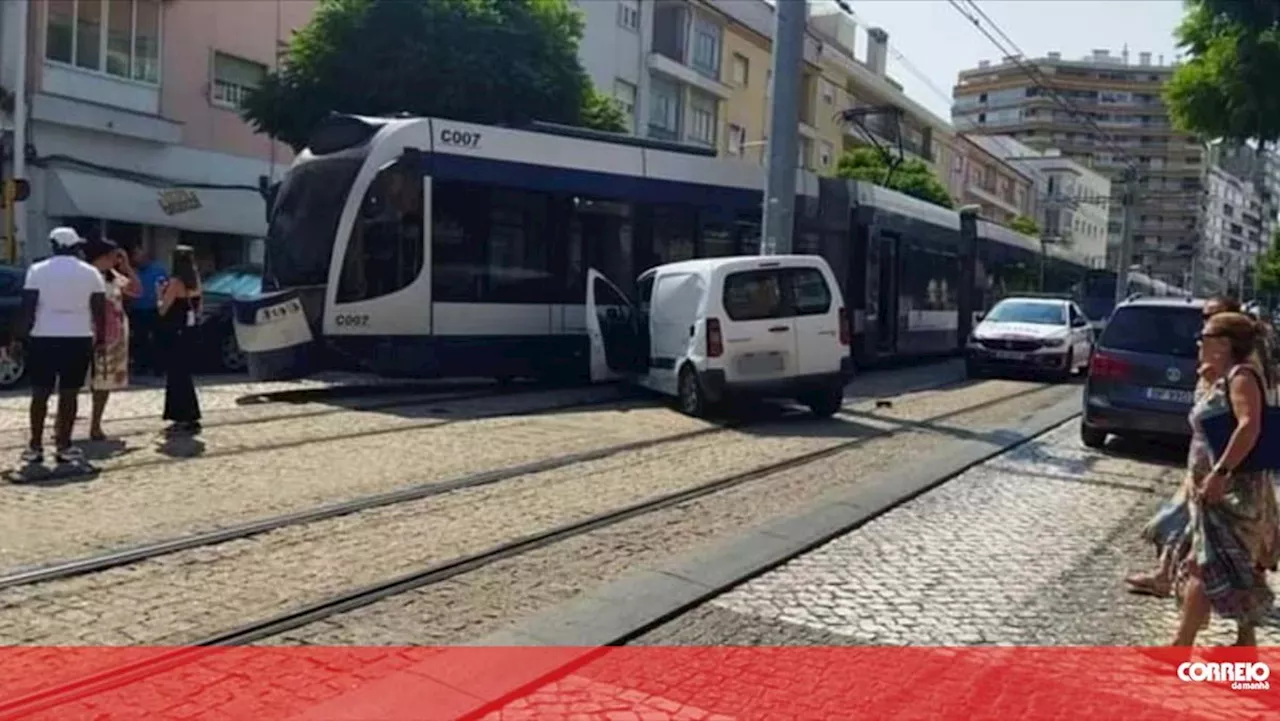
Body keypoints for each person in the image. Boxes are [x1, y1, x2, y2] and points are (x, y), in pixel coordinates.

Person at [1168, 312, 1280, 647]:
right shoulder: (1227, 375)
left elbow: (1249, 426)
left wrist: (1220, 474)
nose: (1199, 344)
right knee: (1229, 565)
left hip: (1230, 491)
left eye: (1205, 337)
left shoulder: (1242, 376)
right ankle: (1245, 646)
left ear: (1223, 344)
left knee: (1205, 565)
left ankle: (1179, 647)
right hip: (1220, 487)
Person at [1126, 295, 1242, 598]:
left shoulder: (1240, 371)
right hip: (1203, 463)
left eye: (1211, 318)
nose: (1203, 326)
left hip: (1223, 469)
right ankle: (1169, 579)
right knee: (1181, 525)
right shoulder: (1214, 363)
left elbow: (1245, 421)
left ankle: (1227, 618)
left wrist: (1222, 469)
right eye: (1204, 318)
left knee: (1207, 542)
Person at [14, 227, 107, 464]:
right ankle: (64, 444)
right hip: (78, 337)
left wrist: (19, 337)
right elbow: (99, 311)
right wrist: (102, 340)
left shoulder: (37, 271)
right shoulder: (91, 273)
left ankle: (35, 445)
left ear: (52, 245)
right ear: (76, 246)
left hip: (43, 336)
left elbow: (28, 308)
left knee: (40, 393)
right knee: (69, 394)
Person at [85, 238, 142, 440]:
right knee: (76, 381)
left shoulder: (113, 277)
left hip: (113, 335)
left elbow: (136, 290)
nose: (114, 259)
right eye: (111, 255)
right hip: (86, 331)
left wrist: (126, 266)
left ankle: (96, 424)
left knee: (104, 382)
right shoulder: (86, 275)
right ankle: (62, 424)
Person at [159, 246, 203, 434]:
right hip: (188, 331)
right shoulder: (195, 281)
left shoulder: (176, 282)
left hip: (174, 331)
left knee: (176, 375)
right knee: (184, 374)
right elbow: (199, 306)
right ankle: (189, 413)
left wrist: (159, 293)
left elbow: (163, 309)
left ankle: (182, 414)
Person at [127, 244, 167, 376]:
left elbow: (165, 288)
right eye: (135, 256)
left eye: (138, 256)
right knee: (139, 339)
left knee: (158, 339)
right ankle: (140, 366)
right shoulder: (133, 272)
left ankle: (158, 367)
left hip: (154, 310)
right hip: (137, 310)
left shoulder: (158, 270)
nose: (136, 259)